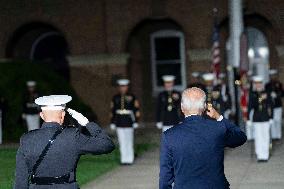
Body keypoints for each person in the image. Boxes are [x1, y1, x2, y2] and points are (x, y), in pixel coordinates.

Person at [14, 95, 115, 189]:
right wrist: (86, 123)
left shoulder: (27, 139)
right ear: (62, 115)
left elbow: (20, 180)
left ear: (41, 115)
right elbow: (107, 144)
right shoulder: (73, 136)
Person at [159, 87, 247, 189]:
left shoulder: (169, 136)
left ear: (182, 107)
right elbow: (241, 137)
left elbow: (165, 178)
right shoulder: (217, 129)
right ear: (205, 107)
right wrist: (219, 117)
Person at [110, 79, 140, 165]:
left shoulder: (132, 97)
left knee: (129, 141)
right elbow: (112, 110)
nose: (123, 88)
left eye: (125, 86)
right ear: (119, 87)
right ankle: (124, 159)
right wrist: (112, 122)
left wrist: (136, 121)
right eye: (121, 86)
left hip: (129, 121)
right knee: (122, 142)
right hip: (119, 121)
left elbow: (136, 109)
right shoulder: (115, 97)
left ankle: (130, 159)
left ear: (127, 87)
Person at [248, 76, 273, 162]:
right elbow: (250, 106)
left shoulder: (267, 92)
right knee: (258, 137)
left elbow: (271, 105)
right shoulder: (252, 94)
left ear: (262, 84)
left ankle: (265, 155)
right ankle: (259, 155)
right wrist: (248, 119)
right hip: (256, 118)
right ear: (255, 85)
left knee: (265, 136)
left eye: (259, 83)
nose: (258, 85)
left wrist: (271, 117)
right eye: (256, 84)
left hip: (266, 117)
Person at [265, 69, 284, 140]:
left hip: (278, 105)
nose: (272, 77)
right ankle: (273, 136)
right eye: (271, 76)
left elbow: (282, 94)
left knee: (278, 121)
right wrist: (270, 95)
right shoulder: (267, 85)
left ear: (275, 76)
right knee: (272, 120)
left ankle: (278, 135)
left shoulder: (279, 84)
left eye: (274, 75)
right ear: (269, 76)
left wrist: (277, 95)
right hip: (270, 106)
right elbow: (265, 94)